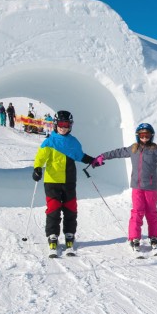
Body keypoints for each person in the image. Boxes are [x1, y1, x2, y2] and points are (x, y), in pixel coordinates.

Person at [91, 123, 157, 252]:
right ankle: (134, 238)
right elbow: (117, 152)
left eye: (147, 135)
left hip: (151, 187)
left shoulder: (155, 150)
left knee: (152, 212)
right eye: (142, 135)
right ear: (138, 136)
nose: (144, 138)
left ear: (151, 136)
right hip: (137, 187)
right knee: (137, 212)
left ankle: (154, 237)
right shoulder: (133, 149)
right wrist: (102, 156)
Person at [32, 110, 97, 256]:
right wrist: (37, 168)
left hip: (69, 180)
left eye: (66, 124)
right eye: (61, 124)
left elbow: (79, 155)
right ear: (55, 124)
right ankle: (52, 235)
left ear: (70, 125)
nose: (63, 127)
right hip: (52, 181)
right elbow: (40, 157)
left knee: (70, 209)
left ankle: (69, 233)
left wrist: (92, 160)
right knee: (53, 209)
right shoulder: (49, 141)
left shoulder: (73, 142)